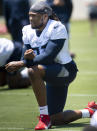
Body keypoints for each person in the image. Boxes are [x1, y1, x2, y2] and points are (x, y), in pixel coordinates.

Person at [5, 1, 97, 130]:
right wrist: (25, 59)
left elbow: (49, 56)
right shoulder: (26, 30)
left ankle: (44, 118)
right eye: (30, 15)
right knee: (57, 119)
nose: (31, 18)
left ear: (45, 16)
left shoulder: (57, 27)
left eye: (35, 16)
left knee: (33, 71)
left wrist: (22, 63)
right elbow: (24, 56)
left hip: (65, 70)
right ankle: (90, 111)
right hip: (48, 72)